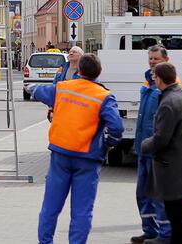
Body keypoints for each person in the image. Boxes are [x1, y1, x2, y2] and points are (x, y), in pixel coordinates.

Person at [26, 54, 124, 244]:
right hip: (88, 158)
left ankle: (45, 242)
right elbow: (117, 127)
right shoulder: (103, 96)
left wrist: (34, 89)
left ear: (79, 71)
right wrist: (109, 144)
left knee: (50, 207)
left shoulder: (63, 88)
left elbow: (34, 89)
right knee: (81, 211)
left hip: (60, 155)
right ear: (99, 73)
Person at [141, 62, 182, 244]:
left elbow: (161, 139)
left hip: (173, 168)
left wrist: (144, 144)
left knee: (175, 216)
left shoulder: (169, 102)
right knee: (179, 216)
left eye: (154, 77)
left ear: (159, 79)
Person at [131, 46, 173, 244]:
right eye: (150, 58)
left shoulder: (169, 85)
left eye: (156, 58)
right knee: (142, 194)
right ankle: (150, 230)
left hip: (157, 151)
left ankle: (165, 235)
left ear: (166, 59)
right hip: (143, 148)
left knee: (159, 196)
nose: (152, 61)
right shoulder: (148, 80)